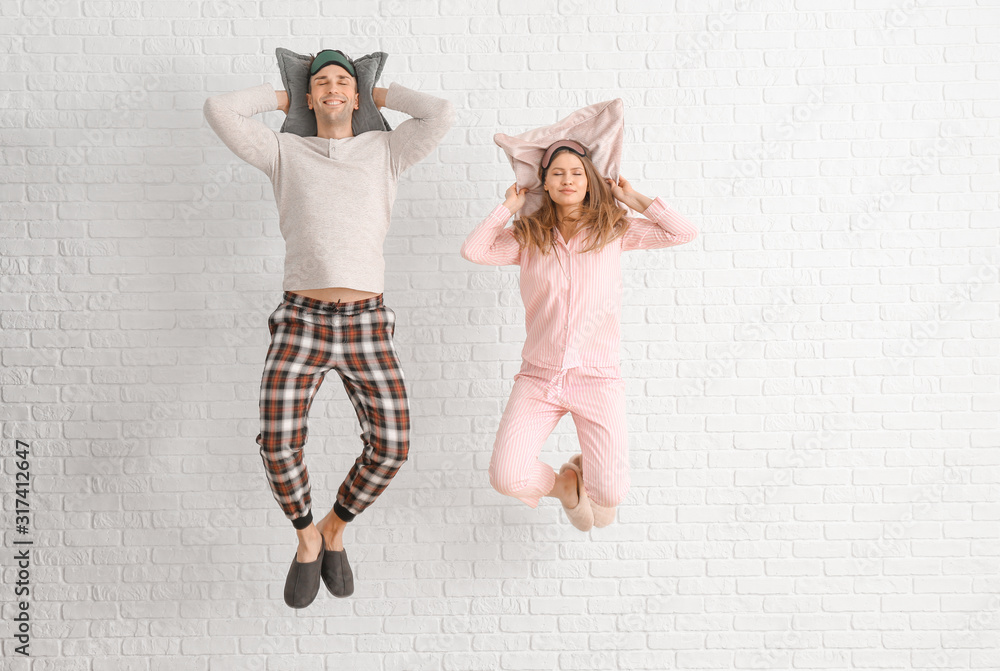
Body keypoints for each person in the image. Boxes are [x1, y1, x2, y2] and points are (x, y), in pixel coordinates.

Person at [203, 49, 454, 607]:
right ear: (309, 95)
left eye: (344, 80)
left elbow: (440, 114)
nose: (334, 88)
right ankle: (306, 536)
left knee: (391, 447)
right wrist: (282, 98)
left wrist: (376, 94)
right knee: (277, 444)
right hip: (301, 319)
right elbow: (219, 110)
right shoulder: (282, 150)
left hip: (367, 320)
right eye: (322, 81)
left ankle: (336, 527)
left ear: (356, 93)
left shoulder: (387, 149)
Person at [460, 139, 698, 531]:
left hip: (597, 379)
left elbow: (682, 232)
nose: (567, 180)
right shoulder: (529, 236)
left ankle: (594, 472)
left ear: (589, 181)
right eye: (557, 173)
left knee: (611, 494)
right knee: (506, 476)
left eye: (576, 173)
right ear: (545, 184)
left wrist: (632, 196)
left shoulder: (614, 230)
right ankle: (567, 485)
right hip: (538, 378)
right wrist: (508, 207)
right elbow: (475, 249)